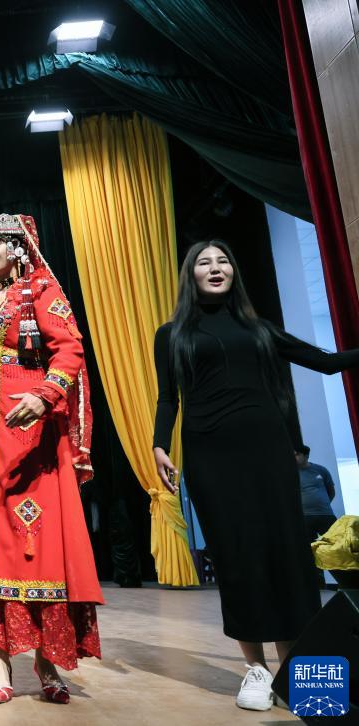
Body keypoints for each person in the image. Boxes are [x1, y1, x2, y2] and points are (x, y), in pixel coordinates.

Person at [153, 239, 359, 712]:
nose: (216, 267)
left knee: (287, 555)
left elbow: (326, 362)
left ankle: (300, 672)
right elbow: (168, 397)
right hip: (210, 457)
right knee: (237, 556)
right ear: (191, 275)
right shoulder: (172, 334)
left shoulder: (259, 329)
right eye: (204, 262)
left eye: (224, 260)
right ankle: (257, 670)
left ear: (233, 271)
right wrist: (160, 445)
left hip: (268, 452)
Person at [0, 213, 102, 705]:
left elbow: (70, 350)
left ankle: (47, 659)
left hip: (31, 439)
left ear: (19, 248)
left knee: (35, 544)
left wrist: (45, 395)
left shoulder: (42, 294)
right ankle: (0, 658)